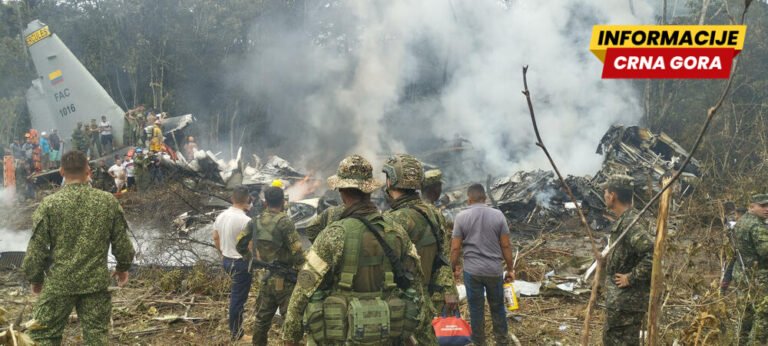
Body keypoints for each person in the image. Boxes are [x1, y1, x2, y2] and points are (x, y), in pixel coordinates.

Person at [282, 155, 427, 346]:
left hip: (342, 335)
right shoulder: (397, 232)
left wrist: (290, 337)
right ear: (369, 189)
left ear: (341, 191)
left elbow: (304, 287)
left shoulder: (333, 235)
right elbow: (416, 285)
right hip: (387, 335)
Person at [21, 150, 135, 345]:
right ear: (88, 170)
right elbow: (122, 242)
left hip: (59, 284)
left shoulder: (49, 205)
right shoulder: (107, 201)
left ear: (61, 171)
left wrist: (35, 278)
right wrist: (123, 267)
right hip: (95, 284)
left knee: (44, 336)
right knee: (96, 337)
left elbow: (37, 248)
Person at [382, 154, 455, 340]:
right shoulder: (433, 212)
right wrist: (449, 292)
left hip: (403, 306)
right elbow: (444, 256)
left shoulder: (392, 220)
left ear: (391, 181)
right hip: (432, 299)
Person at [236, 186, 305, 345]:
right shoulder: (285, 222)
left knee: (262, 319)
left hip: (266, 277)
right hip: (286, 280)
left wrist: (251, 259)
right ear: (282, 201)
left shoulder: (255, 220)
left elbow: (240, 243)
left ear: (266, 202)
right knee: (290, 320)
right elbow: (297, 252)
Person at [450, 183, 514, 345]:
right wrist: (511, 269)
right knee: (497, 307)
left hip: (472, 272)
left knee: (476, 309)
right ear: (485, 198)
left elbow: (455, 247)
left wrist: (453, 268)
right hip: (494, 270)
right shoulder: (498, 215)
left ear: (469, 200)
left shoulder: (461, 217)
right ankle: (502, 340)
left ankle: (479, 342)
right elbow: (506, 245)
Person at [600, 175, 654, 346]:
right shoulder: (626, 220)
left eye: (606, 191)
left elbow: (652, 254)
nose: (604, 195)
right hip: (621, 303)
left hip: (626, 303)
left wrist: (630, 278)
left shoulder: (632, 224)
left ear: (613, 196)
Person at [211, 186, 254, 341]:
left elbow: (215, 237)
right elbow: (250, 245)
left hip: (227, 260)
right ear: (247, 200)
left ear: (232, 199)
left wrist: (222, 253)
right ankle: (237, 334)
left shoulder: (221, 216)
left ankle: (235, 328)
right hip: (240, 263)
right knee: (238, 299)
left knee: (236, 296)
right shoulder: (246, 220)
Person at [733, 194, 768, 345]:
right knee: (763, 314)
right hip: (758, 276)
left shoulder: (741, 222)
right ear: (751, 207)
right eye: (762, 206)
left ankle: (740, 342)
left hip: (741, 273)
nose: (766, 209)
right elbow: (766, 252)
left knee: (746, 313)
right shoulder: (757, 226)